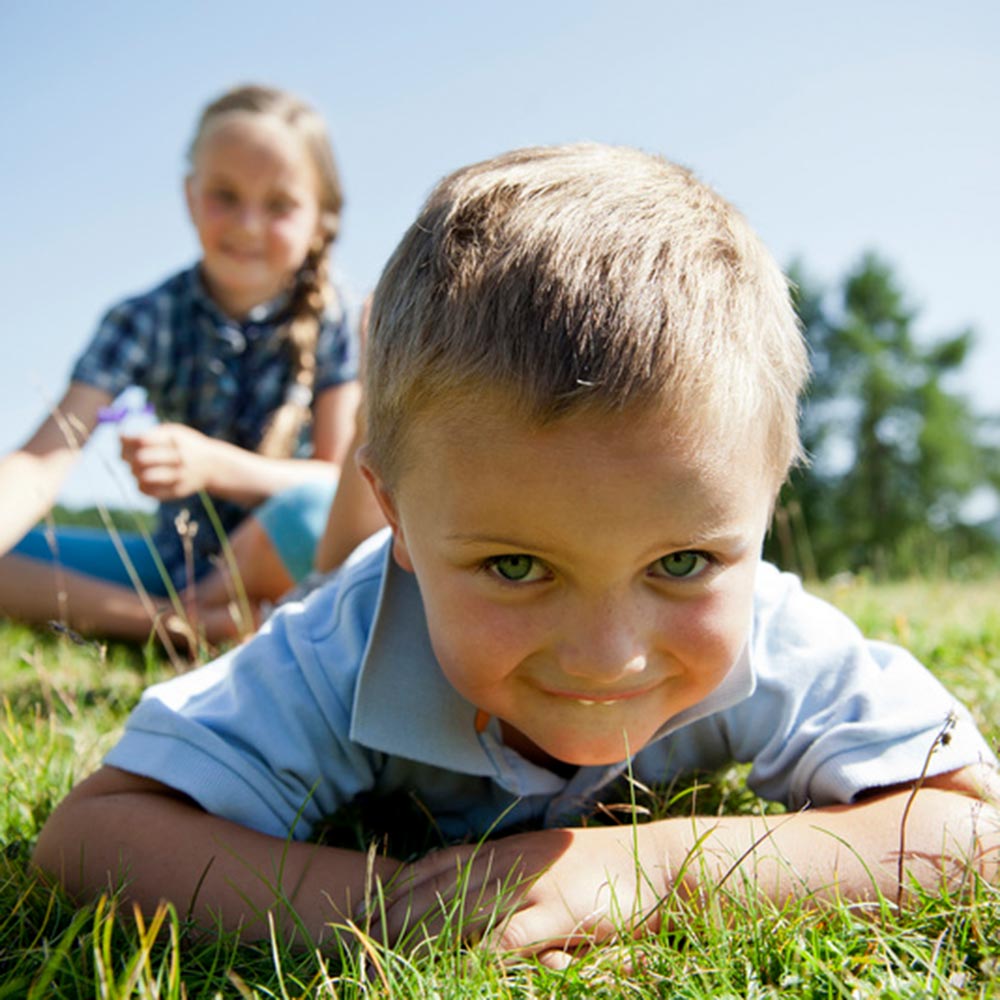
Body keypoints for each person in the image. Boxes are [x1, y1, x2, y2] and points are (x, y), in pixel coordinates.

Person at [32, 144, 1000, 967]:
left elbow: (972, 830)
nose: (604, 655)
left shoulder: (769, 628)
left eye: (681, 564)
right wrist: (387, 906)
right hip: (352, 575)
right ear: (403, 523)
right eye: (514, 566)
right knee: (331, 574)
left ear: (764, 503)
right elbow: (89, 836)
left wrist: (650, 868)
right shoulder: (342, 646)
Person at [0, 84, 361, 647]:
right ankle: (177, 626)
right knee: (9, 550)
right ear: (190, 197)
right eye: (225, 195)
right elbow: (43, 460)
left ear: (321, 219)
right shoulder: (143, 317)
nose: (246, 224)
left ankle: (233, 615)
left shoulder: (340, 320)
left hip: (297, 555)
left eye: (278, 205)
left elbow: (340, 486)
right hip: (171, 568)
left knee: (313, 511)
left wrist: (214, 465)